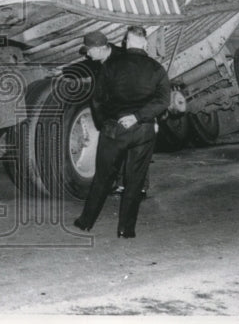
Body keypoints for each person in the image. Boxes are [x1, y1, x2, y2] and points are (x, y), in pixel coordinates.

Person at [73, 27, 170, 238]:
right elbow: (163, 102)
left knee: (103, 177)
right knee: (135, 180)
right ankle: (126, 229)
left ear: (126, 43)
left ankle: (86, 222)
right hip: (143, 130)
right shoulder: (157, 68)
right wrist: (138, 117)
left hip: (114, 130)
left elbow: (97, 100)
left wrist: (106, 123)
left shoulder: (110, 66)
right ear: (145, 44)